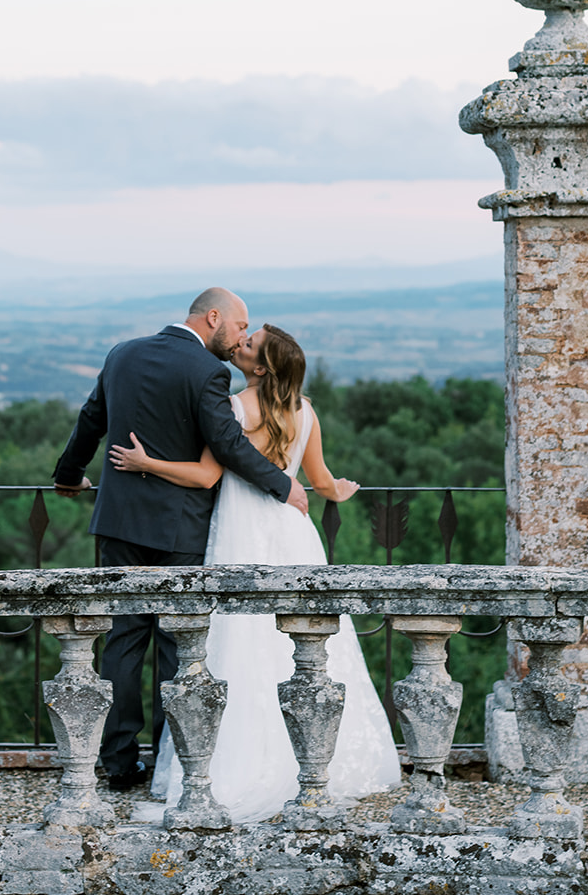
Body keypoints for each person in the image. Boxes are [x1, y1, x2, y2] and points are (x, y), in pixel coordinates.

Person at [109, 322, 400, 822]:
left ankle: (230, 762)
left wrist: (146, 464)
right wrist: (341, 491)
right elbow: (321, 481)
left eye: (250, 344)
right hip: (294, 534)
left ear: (261, 368)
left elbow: (206, 475)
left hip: (241, 534)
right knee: (305, 645)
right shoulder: (305, 411)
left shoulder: (235, 408)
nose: (240, 343)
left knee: (236, 643)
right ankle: (314, 757)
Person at [52, 287, 310, 790]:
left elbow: (91, 420)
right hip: (179, 527)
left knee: (123, 641)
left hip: (119, 522)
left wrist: (67, 475)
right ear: (213, 317)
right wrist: (283, 485)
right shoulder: (207, 371)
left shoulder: (122, 353)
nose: (239, 337)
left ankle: (119, 763)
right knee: (177, 644)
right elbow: (227, 443)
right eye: (240, 326)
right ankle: (171, 764)